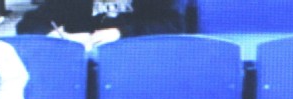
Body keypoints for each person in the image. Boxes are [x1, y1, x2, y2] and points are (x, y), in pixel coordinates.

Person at [16, 0, 184, 49]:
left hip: (136, 61)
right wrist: (54, 36)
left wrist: (121, 33)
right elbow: (28, 24)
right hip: (82, 66)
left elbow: (173, 26)